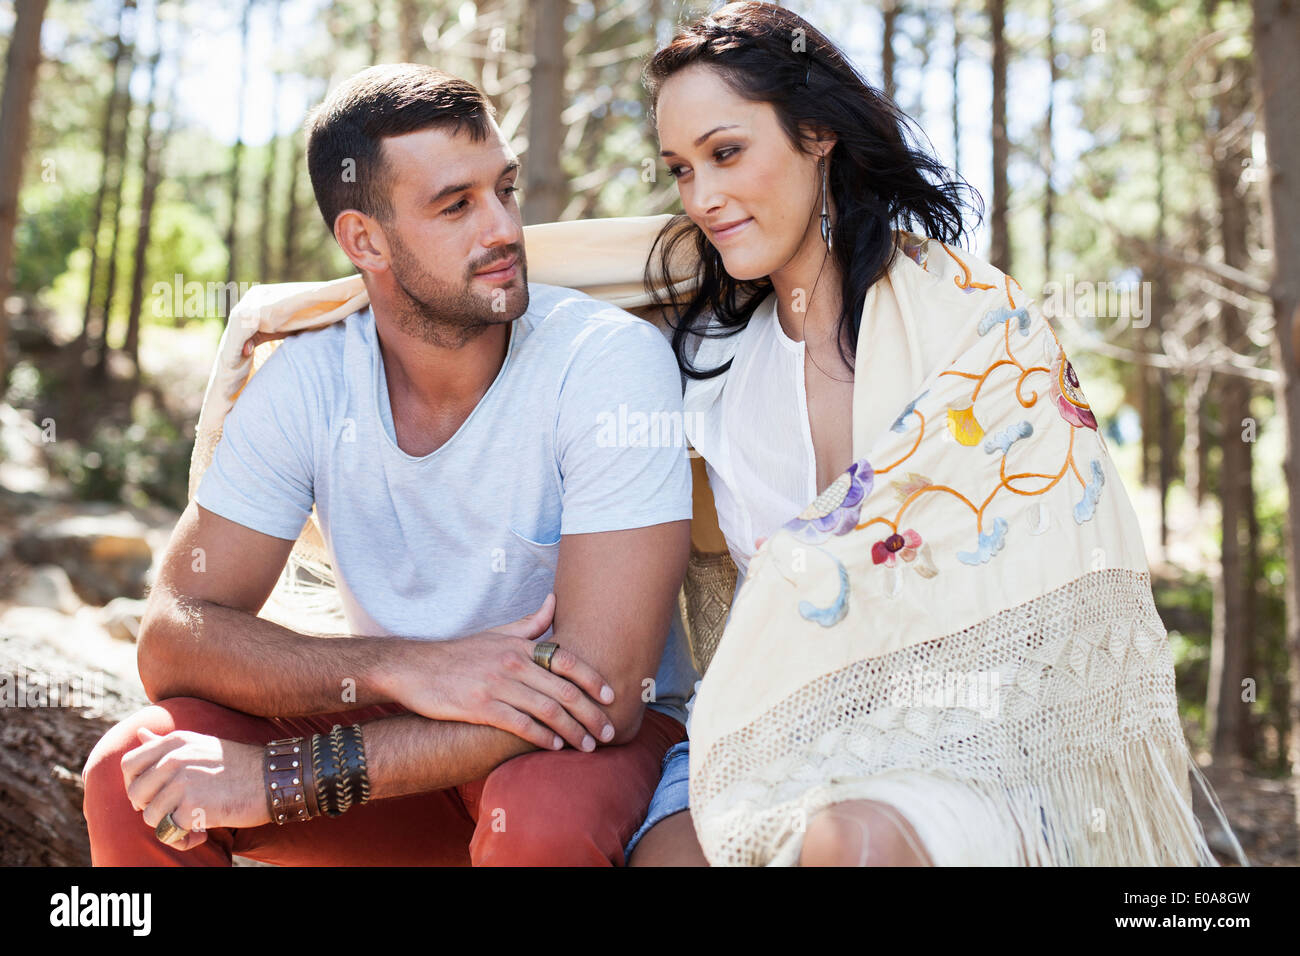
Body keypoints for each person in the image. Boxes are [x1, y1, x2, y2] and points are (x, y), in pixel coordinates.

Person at [623, 1, 1239, 866]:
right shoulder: (708, 363)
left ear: (816, 133)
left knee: (852, 844)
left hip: (964, 738)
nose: (704, 198)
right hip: (771, 729)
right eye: (681, 171)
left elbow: (1050, 551)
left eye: (726, 153)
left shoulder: (977, 328)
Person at [79, 63, 699, 866]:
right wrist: (406, 668)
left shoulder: (608, 362)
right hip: (401, 750)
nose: (504, 229)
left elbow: (602, 696)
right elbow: (172, 637)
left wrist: (287, 777)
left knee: (543, 815)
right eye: (456, 205)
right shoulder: (308, 380)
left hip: (569, 752)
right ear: (363, 239)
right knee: (134, 777)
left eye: (503, 189)